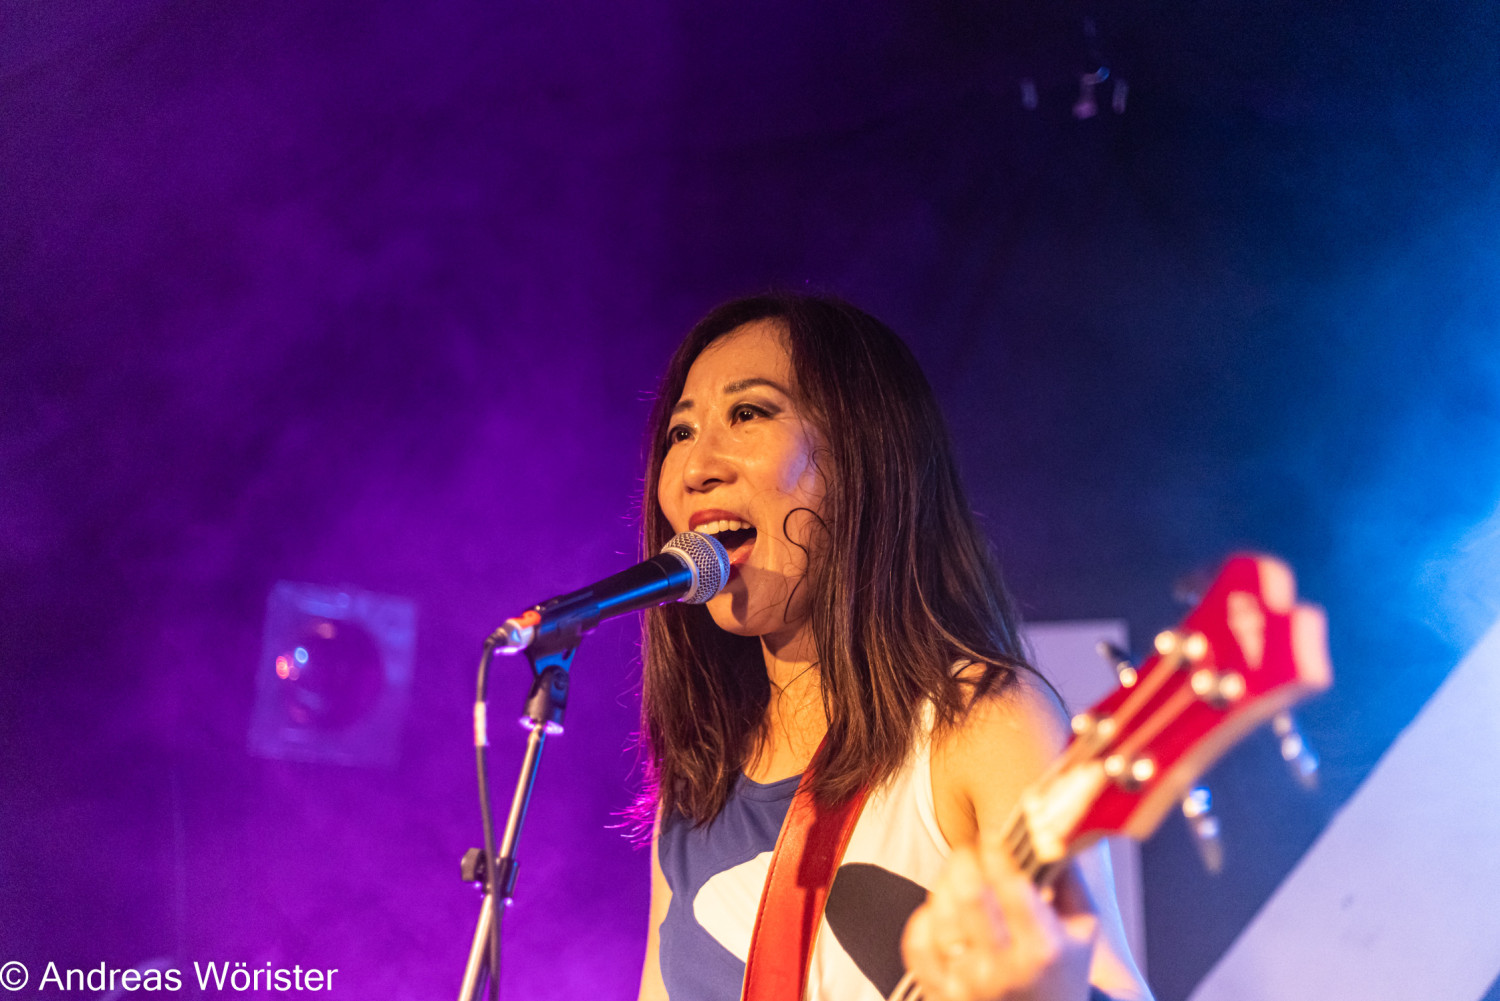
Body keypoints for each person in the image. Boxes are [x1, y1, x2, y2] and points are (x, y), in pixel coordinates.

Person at [633, 293, 1152, 1001]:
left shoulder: (980, 724)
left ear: (862, 457)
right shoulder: (700, 783)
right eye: (680, 431)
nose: (696, 466)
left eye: (748, 413)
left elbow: (1106, 982)